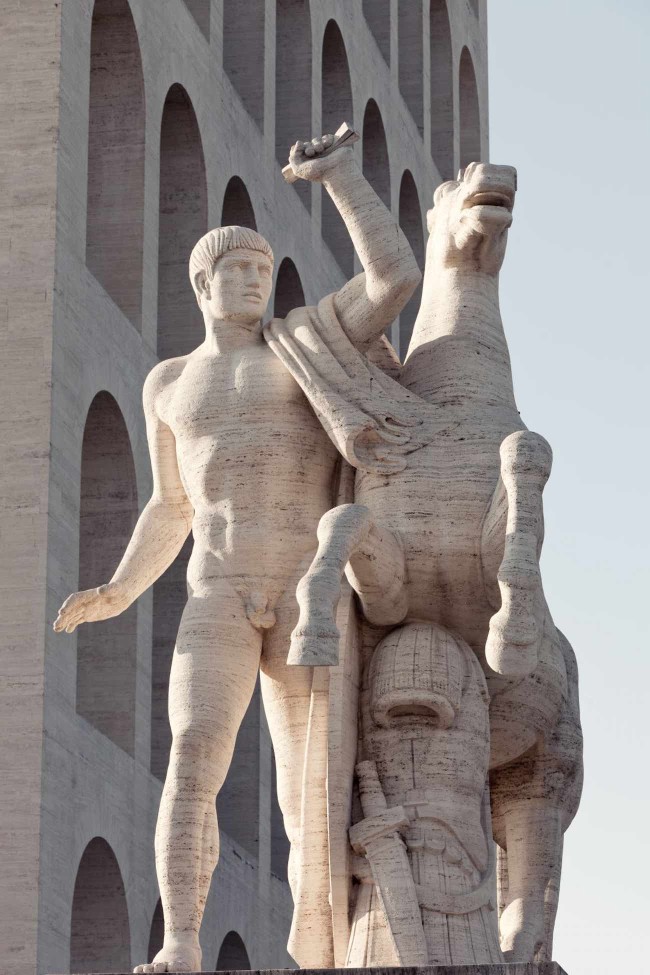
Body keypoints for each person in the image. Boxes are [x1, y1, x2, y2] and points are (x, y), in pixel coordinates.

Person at [54, 134, 420, 973]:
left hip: (305, 591)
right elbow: (169, 503)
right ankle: (180, 939)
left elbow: (393, 279)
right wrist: (117, 587)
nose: (256, 282)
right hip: (214, 587)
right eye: (238, 271)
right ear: (203, 283)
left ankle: (321, 953)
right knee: (192, 757)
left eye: (263, 271)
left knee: (310, 790)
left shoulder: (303, 344)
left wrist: (339, 180)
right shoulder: (168, 383)